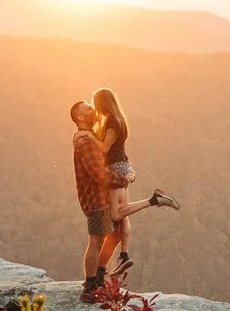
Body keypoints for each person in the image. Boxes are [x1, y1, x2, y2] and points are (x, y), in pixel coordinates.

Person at [89, 86, 178, 283]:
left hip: (116, 168)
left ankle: (154, 200)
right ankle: (123, 256)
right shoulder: (119, 120)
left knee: (116, 214)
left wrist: (88, 136)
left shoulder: (112, 123)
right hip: (123, 166)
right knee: (123, 218)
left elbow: (104, 148)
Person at [72, 100, 124, 299]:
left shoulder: (86, 138)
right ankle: (90, 286)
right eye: (88, 109)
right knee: (96, 241)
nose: (93, 111)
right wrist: (122, 179)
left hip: (101, 197)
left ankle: (99, 276)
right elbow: (99, 174)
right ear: (80, 117)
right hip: (96, 198)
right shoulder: (86, 143)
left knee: (116, 233)